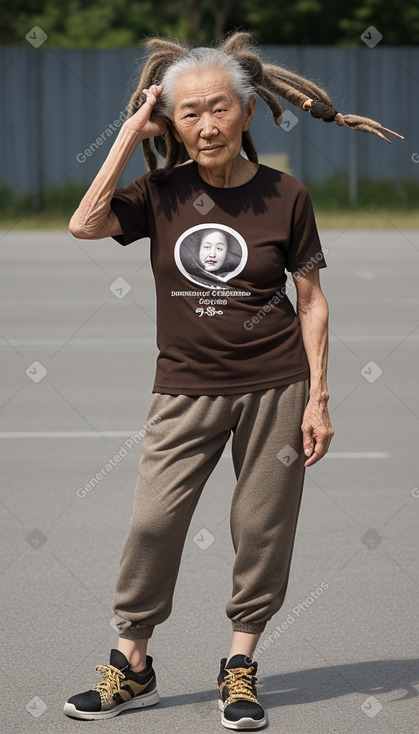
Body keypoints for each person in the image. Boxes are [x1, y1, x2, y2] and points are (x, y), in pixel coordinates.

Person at [63, 32, 402, 730]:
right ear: (170, 121)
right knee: (153, 523)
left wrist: (319, 398)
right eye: (188, 113)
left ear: (247, 112)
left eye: (219, 108)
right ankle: (133, 665)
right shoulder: (158, 192)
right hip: (183, 388)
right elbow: (83, 224)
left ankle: (240, 666)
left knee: (260, 529)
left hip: (275, 387)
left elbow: (310, 302)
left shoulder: (285, 195)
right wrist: (129, 131)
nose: (206, 124)